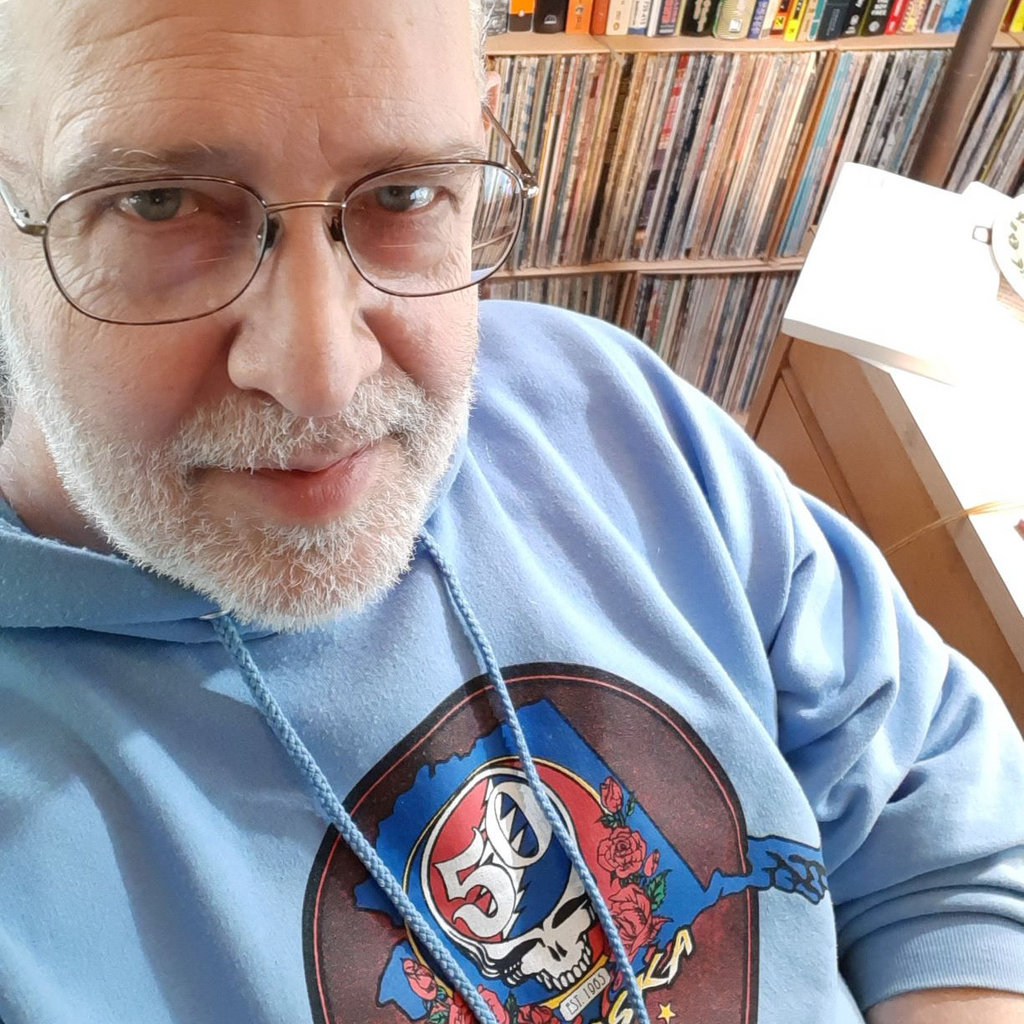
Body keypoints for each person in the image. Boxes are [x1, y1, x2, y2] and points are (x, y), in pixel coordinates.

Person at [0, 0, 1021, 1022]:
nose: (321, 377)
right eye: (158, 204)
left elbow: (947, 824)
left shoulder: (610, 411)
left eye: (404, 192)